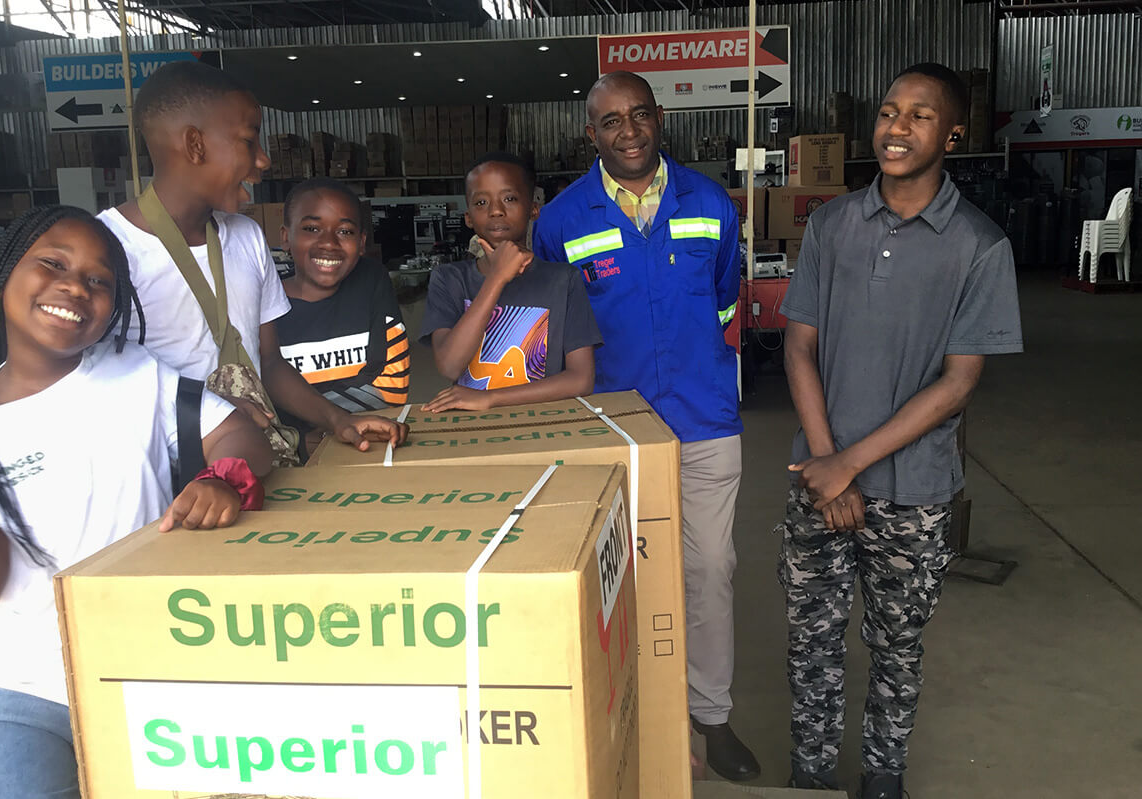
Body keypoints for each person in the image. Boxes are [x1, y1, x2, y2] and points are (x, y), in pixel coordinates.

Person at [0, 206, 274, 798]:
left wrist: (222, 478)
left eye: (101, 281)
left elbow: (236, 431)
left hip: (142, 666)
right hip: (6, 690)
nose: (75, 286)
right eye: (52, 263)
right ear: (2, 276)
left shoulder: (132, 372)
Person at [777, 63, 1022, 798]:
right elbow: (798, 346)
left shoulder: (978, 246)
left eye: (919, 115)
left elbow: (958, 382)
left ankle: (883, 779)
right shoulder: (831, 224)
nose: (897, 127)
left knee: (897, 649)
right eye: (888, 112)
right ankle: (812, 775)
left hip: (913, 494)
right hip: (817, 479)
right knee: (811, 644)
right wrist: (827, 462)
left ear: (952, 133)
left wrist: (848, 463)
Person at [532, 72, 757, 782]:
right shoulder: (561, 221)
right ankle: (624, 707)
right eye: (610, 121)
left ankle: (711, 716)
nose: (628, 131)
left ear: (659, 119)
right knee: (614, 575)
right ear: (589, 134)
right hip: (609, 427)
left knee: (710, 569)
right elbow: (550, 329)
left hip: (702, 418)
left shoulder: (711, 203)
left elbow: (725, 299)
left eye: (639, 115)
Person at [98, 60, 406, 456]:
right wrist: (206, 415)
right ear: (195, 145)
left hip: (252, 465)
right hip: (168, 482)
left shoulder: (246, 237)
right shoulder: (106, 250)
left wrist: (337, 420)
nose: (263, 160)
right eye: (248, 141)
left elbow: (269, 364)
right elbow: (92, 387)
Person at [421, 152, 601, 412]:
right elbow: (450, 365)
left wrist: (492, 398)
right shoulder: (448, 279)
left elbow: (582, 379)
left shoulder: (564, 280)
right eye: (481, 202)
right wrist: (496, 279)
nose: (496, 210)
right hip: (473, 432)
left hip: (544, 426)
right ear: (468, 217)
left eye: (509, 198)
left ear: (533, 209)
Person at [275, 178, 409, 449]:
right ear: (286, 237)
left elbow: (392, 386)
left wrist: (319, 426)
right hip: (291, 456)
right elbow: (254, 396)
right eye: (312, 228)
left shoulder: (371, 280)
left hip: (365, 446)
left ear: (361, 243)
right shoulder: (260, 301)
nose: (328, 243)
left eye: (345, 232)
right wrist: (307, 434)